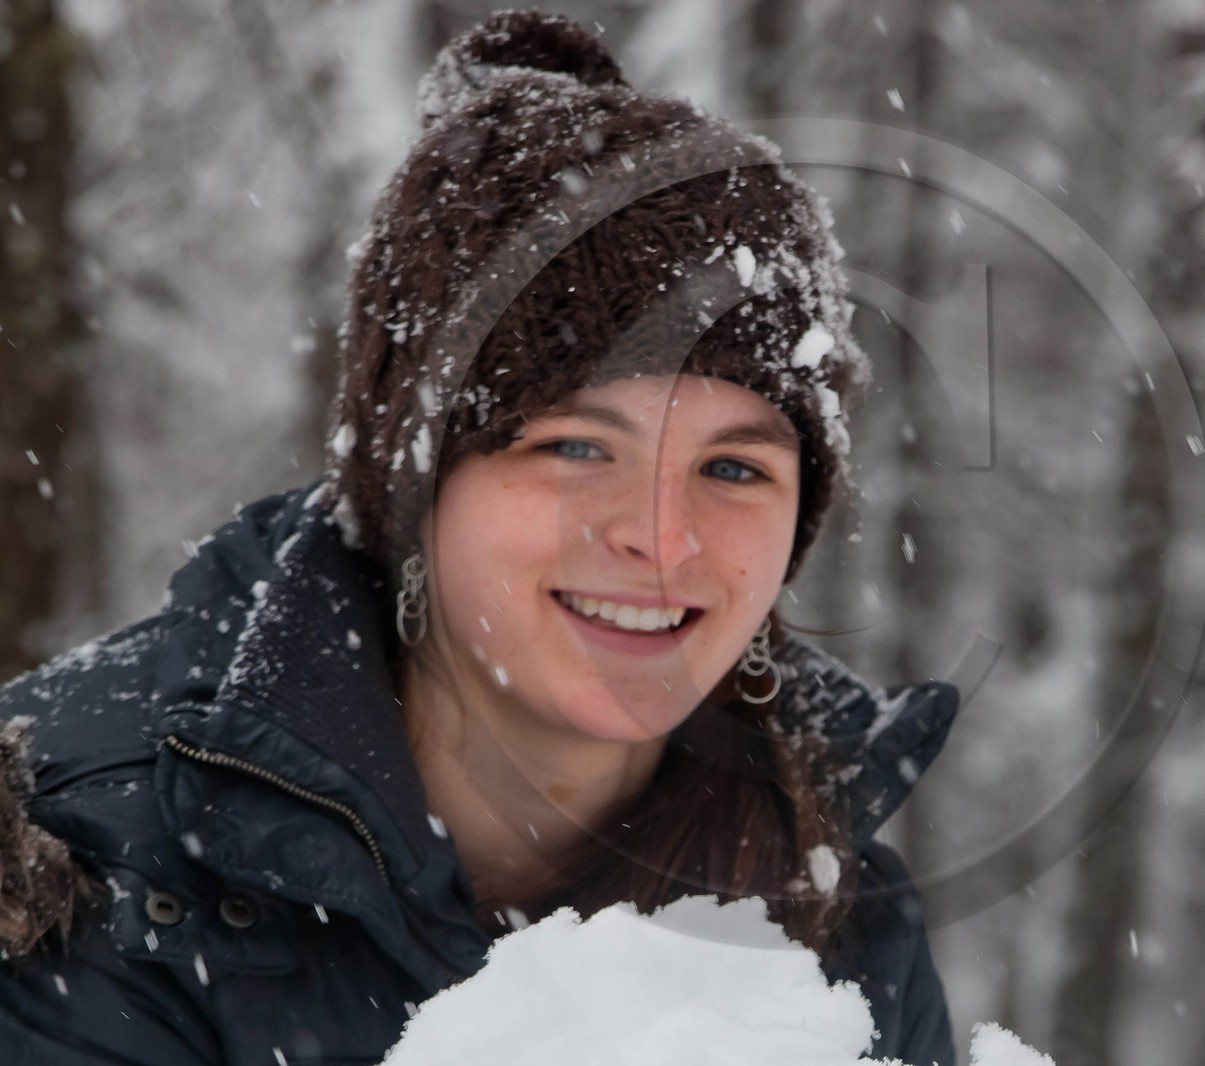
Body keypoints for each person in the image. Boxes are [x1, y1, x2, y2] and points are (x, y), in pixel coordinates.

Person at [0, 10, 959, 1065]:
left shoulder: (840, 915)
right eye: (576, 448)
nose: (662, 538)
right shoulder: (83, 867)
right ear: (416, 493)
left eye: (733, 467)